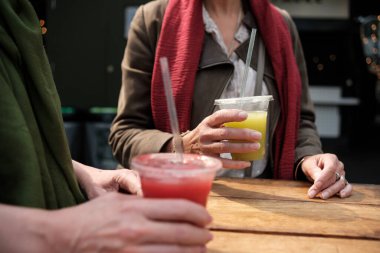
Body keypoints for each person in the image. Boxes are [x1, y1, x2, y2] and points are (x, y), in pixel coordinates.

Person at [0, 0, 212, 252]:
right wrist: (62, 232)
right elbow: (124, 131)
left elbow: (19, 142)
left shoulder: (17, 12)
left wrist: (83, 174)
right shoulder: (154, 19)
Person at [109, 0, 353, 200]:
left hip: (270, 203)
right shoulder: (153, 20)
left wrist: (310, 158)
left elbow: (300, 122)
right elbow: (124, 134)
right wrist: (180, 145)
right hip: (181, 199)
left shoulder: (281, 26)